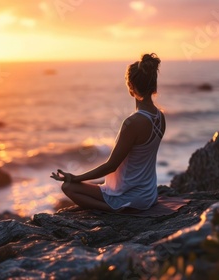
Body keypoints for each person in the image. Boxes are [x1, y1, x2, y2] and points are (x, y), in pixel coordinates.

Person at [50, 53, 165, 212]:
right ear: (153, 85)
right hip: (149, 194)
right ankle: (115, 203)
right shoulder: (160, 117)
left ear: (130, 86)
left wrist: (75, 177)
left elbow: (111, 166)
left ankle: (113, 209)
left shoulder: (133, 123)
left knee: (68, 187)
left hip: (132, 198)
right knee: (91, 186)